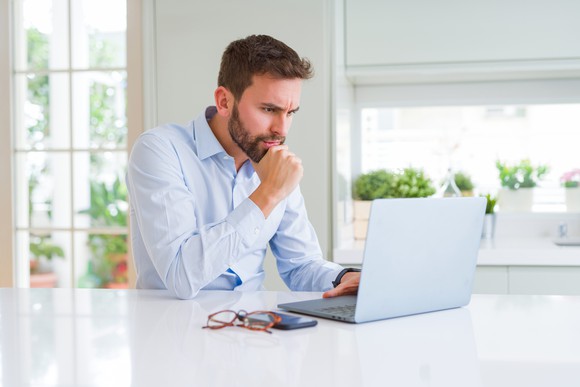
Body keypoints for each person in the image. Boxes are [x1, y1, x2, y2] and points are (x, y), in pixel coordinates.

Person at [127, 34, 360, 299]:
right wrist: (268, 193)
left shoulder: (272, 161)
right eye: (269, 109)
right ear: (224, 101)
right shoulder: (160, 150)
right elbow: (182, 275)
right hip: (173, 328)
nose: (281, 129)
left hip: (253, 329)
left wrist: (344, 277)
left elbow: (301, 266)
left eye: (290, 112)